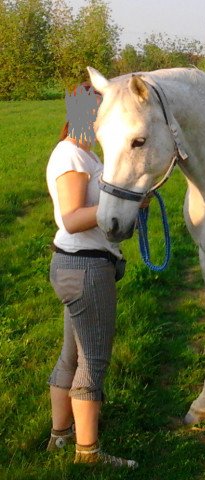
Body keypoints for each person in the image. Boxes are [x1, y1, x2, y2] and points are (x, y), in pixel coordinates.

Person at [45, 82, 139, 468]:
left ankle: (61, 437)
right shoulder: (71, 156)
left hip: (77, 265)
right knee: (92, 360)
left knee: (71, 355)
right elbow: (71, 218)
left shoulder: (86, 154)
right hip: (84, 266)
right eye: (100, 111)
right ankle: (89, 454)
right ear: (83, 113)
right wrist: (126, 202)